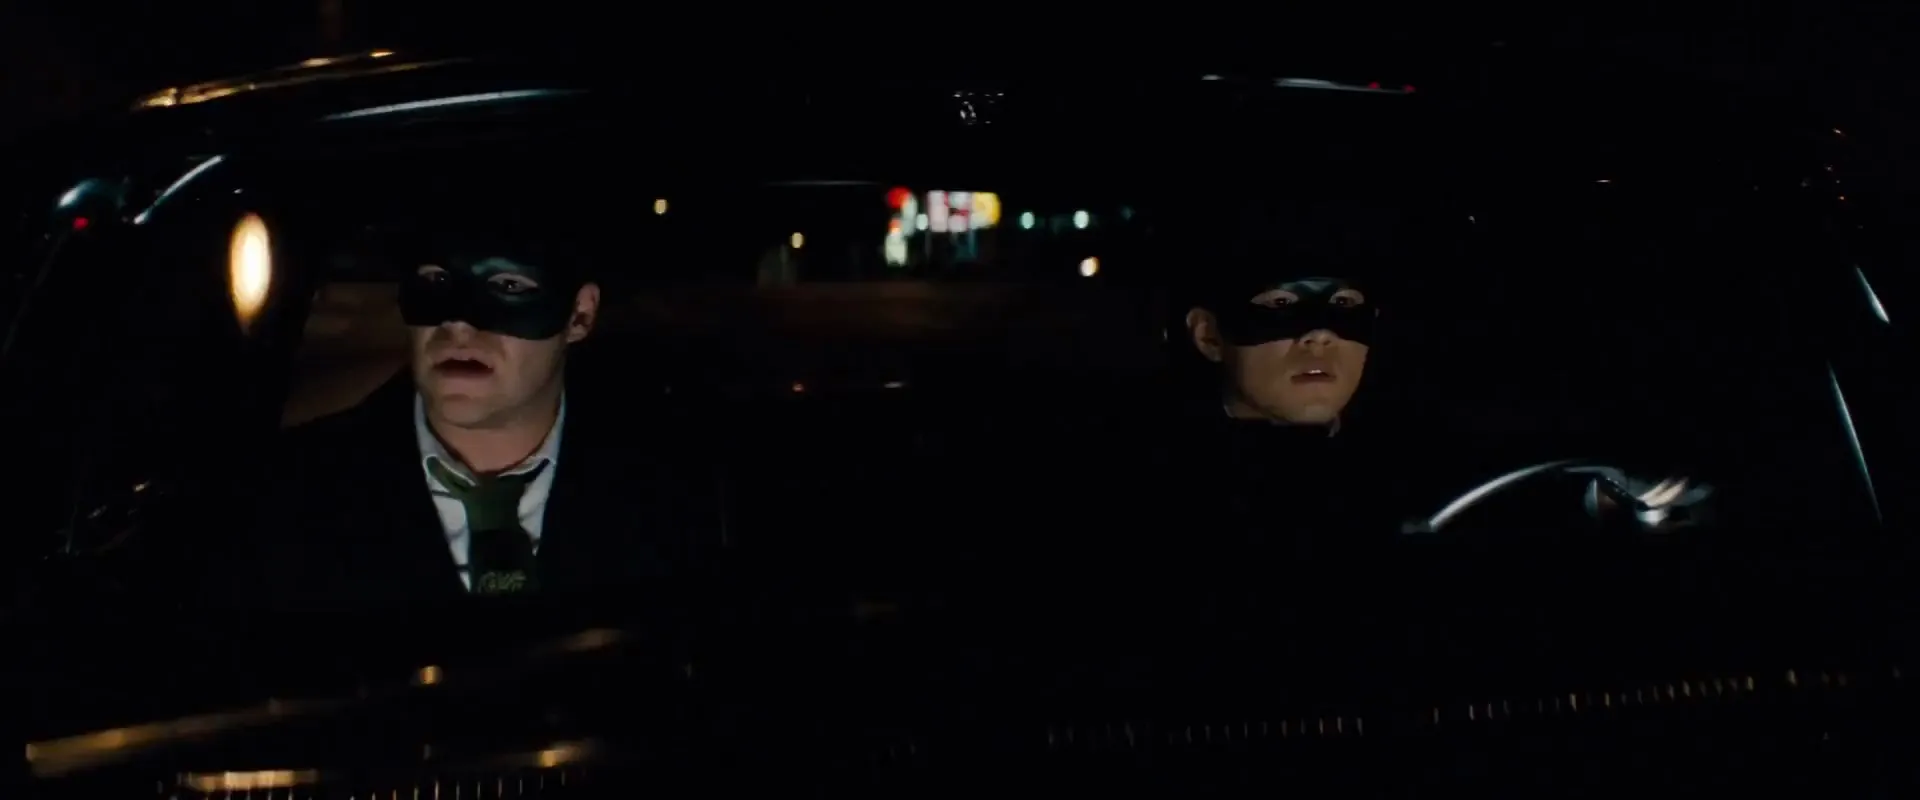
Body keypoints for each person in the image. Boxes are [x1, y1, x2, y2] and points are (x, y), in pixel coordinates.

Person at [240, 209, 719, 612]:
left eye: (508, 285)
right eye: (435, 281)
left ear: (579, 314)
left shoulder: (680, 490)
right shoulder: (290, 494)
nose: (458, 324)